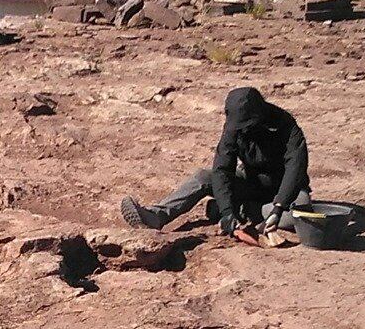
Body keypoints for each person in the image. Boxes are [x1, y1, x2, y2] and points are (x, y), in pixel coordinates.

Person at [119, 86, 312, 244]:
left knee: (300, 209)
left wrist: (279, 207)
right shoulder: (234, 127)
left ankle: (245, 210)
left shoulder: (285, 125)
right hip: (251, 183)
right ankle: (156, 216)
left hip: (286, 191)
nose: (242, 131)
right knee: (203, 177)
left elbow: (295, 168)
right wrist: (227, 213)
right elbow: (222, 169)